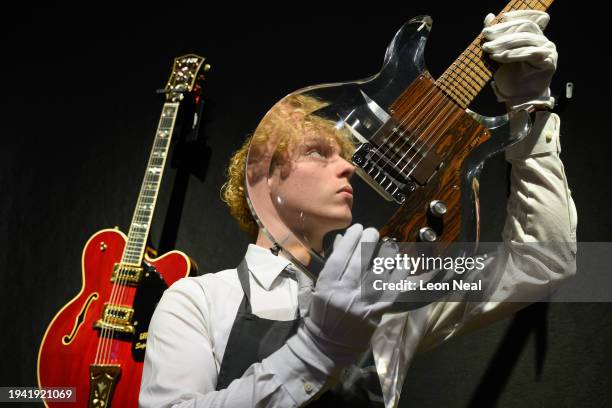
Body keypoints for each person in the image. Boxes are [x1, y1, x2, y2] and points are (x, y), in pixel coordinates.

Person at [139, 10, 577, 408]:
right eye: (318, 152)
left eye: (346, 153)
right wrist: (317, 348)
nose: (347, 165)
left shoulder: (393, 297)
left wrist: (530, 114)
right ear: (265, 176)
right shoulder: (196, 300)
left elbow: (543, 265)